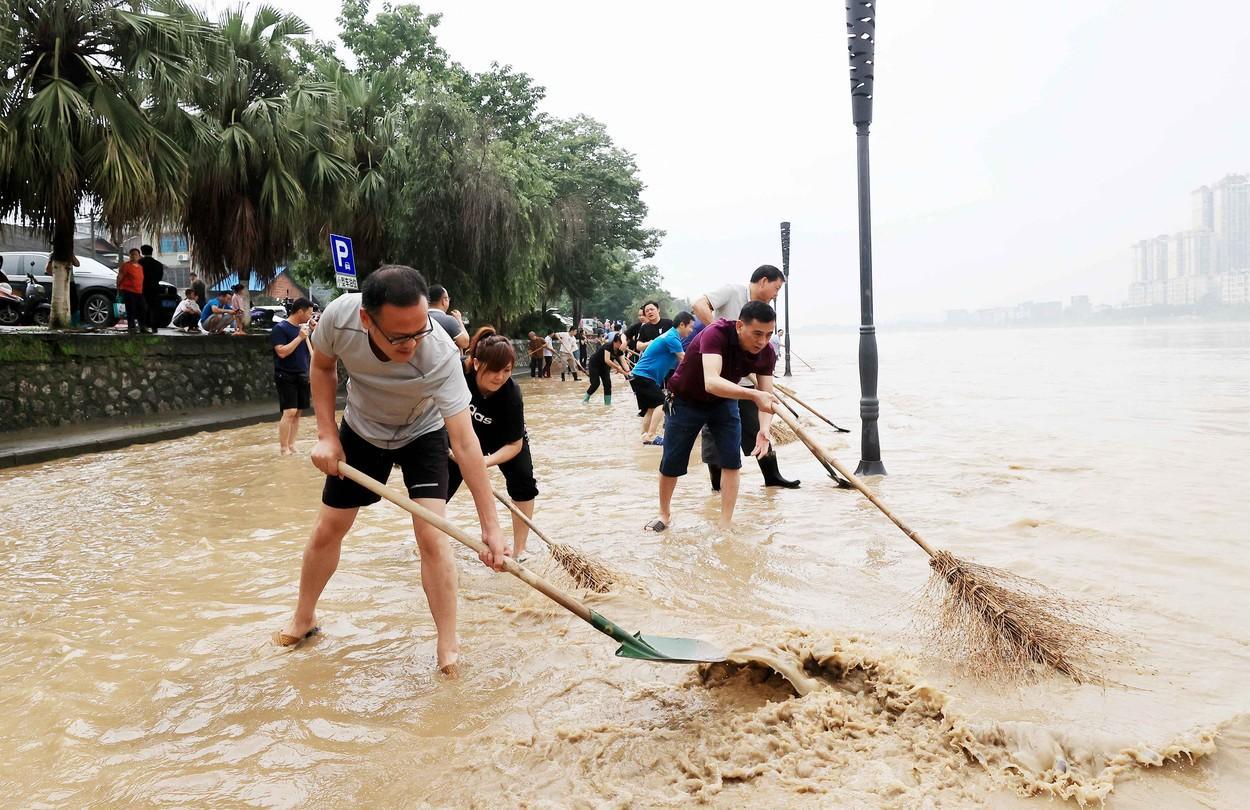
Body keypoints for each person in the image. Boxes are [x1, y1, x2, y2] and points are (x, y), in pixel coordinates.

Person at [274, 265, 508, 677]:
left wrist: (490, 525)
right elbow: (323, 366)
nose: (412, 344)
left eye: (419, 330)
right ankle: (303, 619)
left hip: (424, 431)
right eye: (400, 335)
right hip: (363, 430)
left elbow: (465, 442)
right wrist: (327, 434)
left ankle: (447, 645)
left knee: (432, 533)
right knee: (329, 527)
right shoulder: (340, 317)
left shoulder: (439, 352)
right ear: (366, 319)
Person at [647, 302, 780, 532]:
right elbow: (712, 381)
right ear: (740, 326)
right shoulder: (715, 333)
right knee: (672, 460)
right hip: (685, 399)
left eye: (768, 335)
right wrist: (752, 394)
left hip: (724, 402)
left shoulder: (766, 352)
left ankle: (725, 524)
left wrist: (764, 430)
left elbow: (767, 397)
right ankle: (664, 514)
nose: (762, 341)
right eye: (757, 333)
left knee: (731, 461)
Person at [690, 265, 799, 490]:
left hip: (747, 383)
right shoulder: (732, 292)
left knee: (757, 429)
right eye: (776, 288)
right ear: (763, 281)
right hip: (720, 383)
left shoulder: (764, 314)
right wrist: (721, 336)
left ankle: (773, 477)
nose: (777, 294)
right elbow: (698, 304)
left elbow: (765, 389)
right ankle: (717, 487)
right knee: (715, 435)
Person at [448, 326, 540, 560]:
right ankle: (428, 539)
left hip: (504, 440)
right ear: (477, 363)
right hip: (462, 434)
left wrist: (483, 461)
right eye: (494, 370)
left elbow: (515, 445)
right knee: (437, 486)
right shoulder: (457, 372)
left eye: (507, 370)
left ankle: (520, 549)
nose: (500, 377)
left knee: (523, 482)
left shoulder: (511, 394)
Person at [630, 311, 695, 444]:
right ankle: (652, 435)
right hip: (644, 376)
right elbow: (684, 360)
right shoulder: (672, 337)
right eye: (691, 327)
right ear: (682, 325)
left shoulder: (670, 335)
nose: (691, 330)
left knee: (651, 408)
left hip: (639, 376)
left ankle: (645, 436)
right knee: (662, 403)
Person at [271, 297, 316, 455]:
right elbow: (281, 352)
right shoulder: (280, 328)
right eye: (309, 314)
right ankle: (283, 448)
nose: (310, 317)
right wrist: (299, 338)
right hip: (285, 374)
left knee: (298, 412)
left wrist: (314, 332)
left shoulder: (303, 329)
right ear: (300, 311)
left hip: (302, 374)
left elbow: (312, 352)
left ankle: (291, 445)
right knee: (289, 411)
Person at [584, 331, 628, 405]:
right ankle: (585, 399)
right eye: (621, 343)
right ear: (616, 342)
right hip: (595, 364)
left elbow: (623, 362)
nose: (623, 345)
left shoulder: (620, 350)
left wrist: (628, 372)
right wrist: (618, 368)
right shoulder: (608, 346)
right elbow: (607, 360)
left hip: (605, 367)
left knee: (608, 384)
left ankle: (607, 405)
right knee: (595, 383)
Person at [428, 284, 469, 351]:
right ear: (444, 301)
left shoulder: (419, 319)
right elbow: (465, 343)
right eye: (448, 299)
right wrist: (459, 320)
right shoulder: (449, 321)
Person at [117, 248, 147, 335]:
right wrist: (118, 289)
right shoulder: (126, 266)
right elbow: (119, 277)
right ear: (129, 256)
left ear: (139, 256)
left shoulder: (140, 267)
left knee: (143, 308)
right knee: (131, 309)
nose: (134, 256)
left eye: (136, 254)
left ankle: (142, 327)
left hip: (139, 291)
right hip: (128, 290)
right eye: (132, 254)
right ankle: (131, 327)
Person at [138, 244, 164, 333]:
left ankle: (143, 326)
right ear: (152, 252)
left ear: (142, 252)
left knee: (142, 307)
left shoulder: (139, 263)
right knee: (154, 308)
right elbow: (160, 277)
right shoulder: (158, 264)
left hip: (142, 288)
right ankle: (154, 327)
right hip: (154, 288)